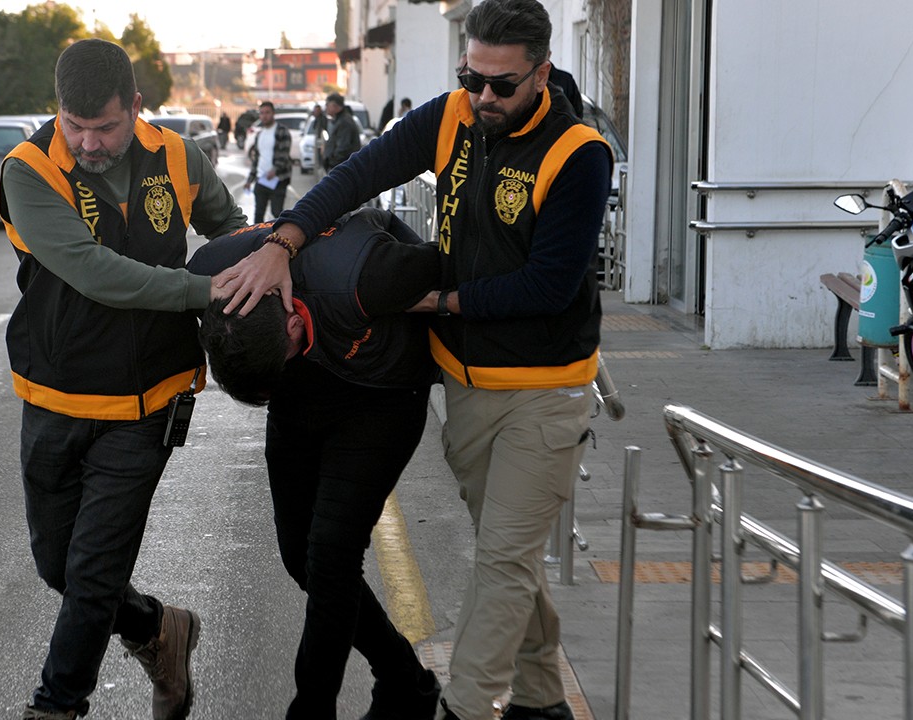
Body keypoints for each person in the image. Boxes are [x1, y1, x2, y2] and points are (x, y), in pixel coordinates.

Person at [210, 1, 613, 718]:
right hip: (465, 384)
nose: (484, 96)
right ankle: (543, 701)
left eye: (503, 85)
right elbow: (356, 175)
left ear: (542, 74)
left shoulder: (579, 154)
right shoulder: (453, 115)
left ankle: (462, 705)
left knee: (500, 563)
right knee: (510, 556)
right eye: (473, 76)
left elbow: (552, 286)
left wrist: (441, 303)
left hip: (543, 390)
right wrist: (284, 241)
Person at [0, 38, 247, 720]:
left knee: (92, 572)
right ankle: (156, 630)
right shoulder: (28, 171)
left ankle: (56, 706)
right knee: (59, 566)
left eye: (104, 127)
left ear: (136, 107)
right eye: (74, 126)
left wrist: (262, 262)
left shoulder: (178, 156)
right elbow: (95, 272)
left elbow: (231, 232)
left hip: (149, 401)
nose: (87, 141)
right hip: (52, 397)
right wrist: (205, 291)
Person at [187, 208, 443, 719]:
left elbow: (453, 264)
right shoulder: (209, 273)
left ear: (292, 315)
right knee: (297, 554)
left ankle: (312, 708)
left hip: (380, 394)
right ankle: (404, 680)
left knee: (331, 556)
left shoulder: (367, 274)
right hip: (302, 393)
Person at [243, 101, 293, 223]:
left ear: (273, 114)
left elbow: (284, 155)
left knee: (277, 213)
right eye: (262, 113)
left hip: (278, 179)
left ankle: (278, 240)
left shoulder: (282, 131)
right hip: (261, 179)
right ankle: (258, 241)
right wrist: (250, 180)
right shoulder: (259, 135)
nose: (264, 116)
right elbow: (257, 159)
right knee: (258, 214)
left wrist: (274, 170)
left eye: (267, 113)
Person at [321, 93, 361, 171]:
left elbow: (343, 148)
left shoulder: (344, 122)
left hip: (342, 168)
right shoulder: (340, 120)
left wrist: (332, 163)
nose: (326, 108)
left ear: (335, 106)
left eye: (327, 105)